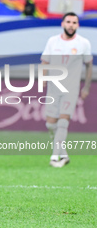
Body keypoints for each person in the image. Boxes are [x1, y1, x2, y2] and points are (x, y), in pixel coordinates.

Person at [41, 12, 93, 168]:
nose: (71, 25)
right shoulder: (52, 41)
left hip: (71, 88)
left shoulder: (83, 43)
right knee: (51, 124)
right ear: (62, 24)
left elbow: (89, 65)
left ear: (78, 25)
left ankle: (55, 157)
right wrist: (42, 79)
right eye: (68, 22)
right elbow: (45, 61)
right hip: (53, 88)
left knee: (63, 122)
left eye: (74, 22)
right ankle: (63, 154)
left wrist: (87, 86)